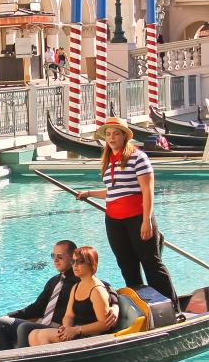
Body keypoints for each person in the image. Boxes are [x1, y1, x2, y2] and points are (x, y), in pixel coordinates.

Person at [76, 116, 178, 306]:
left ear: (124, 137)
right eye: (108, 134)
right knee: (126, 265)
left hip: (137, 218)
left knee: (151, 265)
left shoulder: (138, 157)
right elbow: (114, 191)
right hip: (114, 221)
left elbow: (147, 191)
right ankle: (143, 306)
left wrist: (146, 220)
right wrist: (89, 193)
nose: (112, 138)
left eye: (116, 134)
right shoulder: (108, 161)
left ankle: (172, 307)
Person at [0, 240, 117, 350]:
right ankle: (4, 357)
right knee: (0, 322)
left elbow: (105, 287)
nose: (55, 260)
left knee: (24, 328)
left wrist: (115, 305)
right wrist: (9, 315)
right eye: (53, 256)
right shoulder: (55, 281)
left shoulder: (82, 280)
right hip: (51, 325)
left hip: (63, 327)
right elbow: (37, 307)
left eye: (60, 256)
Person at [30, 247, 116, 346]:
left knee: (42, 335)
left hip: (92, 337)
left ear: (92, 264)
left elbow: (104, 324)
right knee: (33, 334)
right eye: (73, 261)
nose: (75, 265)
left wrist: (77, 330)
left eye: (80, 262)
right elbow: (69, 315)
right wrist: (66, 328)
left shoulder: (97, 291)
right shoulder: (76, 287)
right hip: (76, 332)